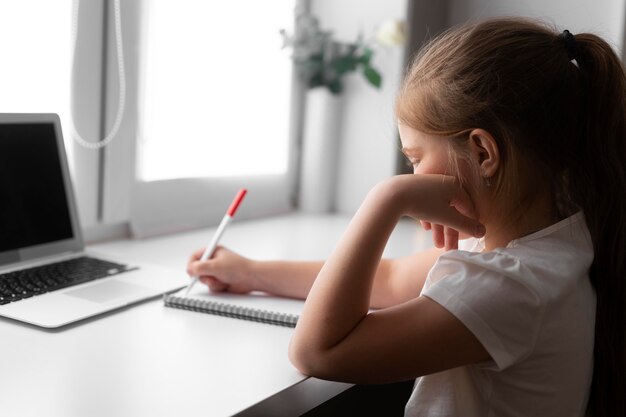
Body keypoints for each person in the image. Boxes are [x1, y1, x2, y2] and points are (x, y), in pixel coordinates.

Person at [187, 18, 626, 417]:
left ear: (482, 153)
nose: (411, 174)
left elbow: (318, 352)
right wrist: (249, 272)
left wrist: (387, 197)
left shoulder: (512, 287)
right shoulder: (548, 242)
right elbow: (393, 279)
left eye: (415, 158)